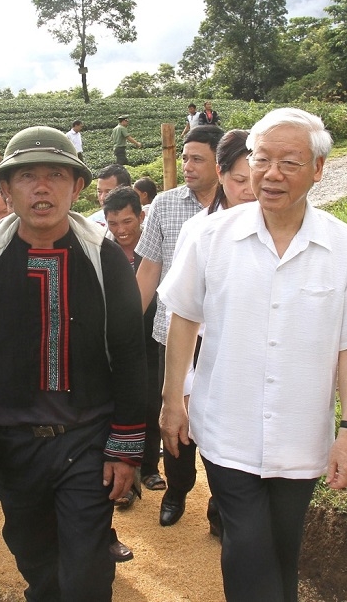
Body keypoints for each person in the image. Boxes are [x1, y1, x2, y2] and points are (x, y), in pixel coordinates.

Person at [158, 108, 347, 602]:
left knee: (284, 551)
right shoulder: (208, 237)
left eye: (289, 162)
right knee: (246, 546)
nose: (271, 174)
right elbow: (183, 318)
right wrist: (172, 401)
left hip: (301, 437)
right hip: (226, 428)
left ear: (319, 169)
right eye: (262, 159)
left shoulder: (345, 249)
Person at [0, 126, 147, 601]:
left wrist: (125, 446)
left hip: (87, 439)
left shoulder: (103, 256)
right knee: (35, 560)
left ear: (77, 187)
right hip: (15, 441)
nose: (42, 188)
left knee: (85, 571)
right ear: (6, 189)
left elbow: (128, 353)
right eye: (27, 177)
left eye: (56, 175)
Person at [134, 124, 225, 530]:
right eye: (184, 157)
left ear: (221, 164)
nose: (187, 166)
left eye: (197, 159)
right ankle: (177, 489)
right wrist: (125, 323)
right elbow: (149, 269)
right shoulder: (165, 206)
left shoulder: (242, 204)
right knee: (176, 412)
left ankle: (221, 504)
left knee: (222, 420)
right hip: (171, 334)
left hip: (224, 339)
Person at [103, 186, 164, 505]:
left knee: (153, 403)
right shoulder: (101, 253)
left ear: (141, 216)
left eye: (127, 221)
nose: (121, 230)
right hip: (115, 344)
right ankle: (122, 476)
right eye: (114, 224)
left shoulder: (154, 250)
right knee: (120, 404)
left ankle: (150, 467)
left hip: (152, 339)